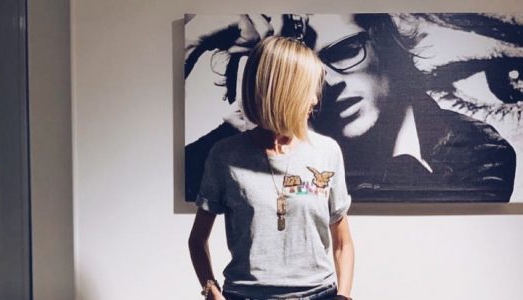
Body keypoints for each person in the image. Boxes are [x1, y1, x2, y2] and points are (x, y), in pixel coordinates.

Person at [188, 35, 355, 300]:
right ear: (284, 89)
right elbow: (197, 240)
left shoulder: (327, 153)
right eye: (310, 87)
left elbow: (343, 241)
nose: (316, 98)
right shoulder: (225, 155)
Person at [185, 14, 516, 203]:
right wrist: (193, 43)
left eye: (344, 51)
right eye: (303, 71)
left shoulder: (477, 150)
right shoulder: (291, 151)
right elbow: (198, 191)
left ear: (384, 44)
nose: (327, 82)